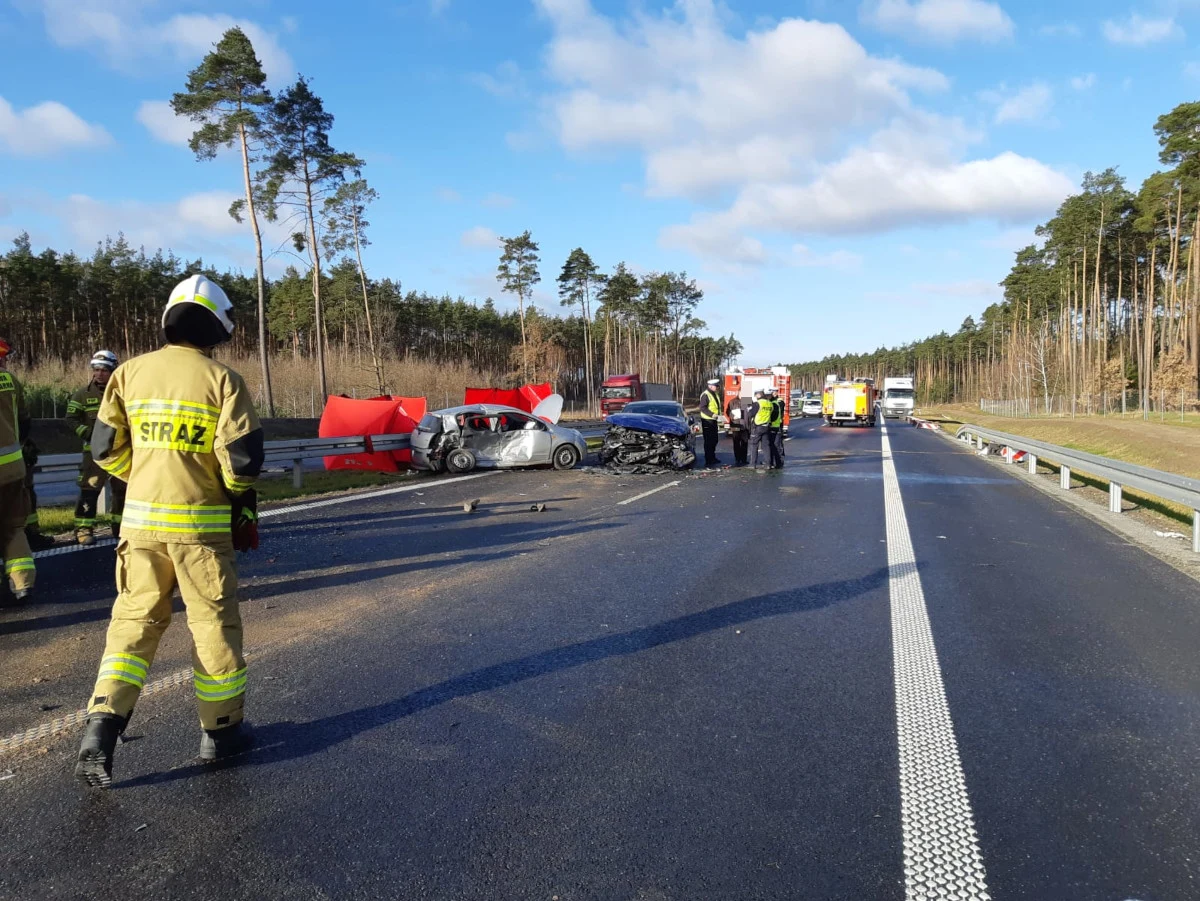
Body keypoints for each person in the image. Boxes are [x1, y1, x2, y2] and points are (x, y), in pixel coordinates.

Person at [75, 275, 265, 789]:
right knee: (212, 628)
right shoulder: (222, 380)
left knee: (133, 623)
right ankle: (220, 734)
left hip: (138, 526)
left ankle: (102, 726)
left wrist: (142, 478)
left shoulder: (129, 374)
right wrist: (233, 498)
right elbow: (243, 464)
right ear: (217, 327)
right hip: (201, 531)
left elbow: (104, 449)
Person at [68, 350, 126, 545]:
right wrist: (87, 434)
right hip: (94, 455)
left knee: (122, 491)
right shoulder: (82, 395)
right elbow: (71, 419)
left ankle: (120, 529)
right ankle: (84, 529)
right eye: (96, 369)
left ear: (113, 370)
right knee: (90, 490)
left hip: (120, 453)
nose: (99, 374)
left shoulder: (123, 393)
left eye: (104, 370)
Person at [0, 337, 35, 603]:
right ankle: (22, 583)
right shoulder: (10, 380)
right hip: (13, 468)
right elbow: (24, 420)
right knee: (14, 526)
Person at [699, 378, 723, 467]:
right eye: (716, 386)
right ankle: (708, 459)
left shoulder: (715, 394)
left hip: (714, 420)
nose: (717, 387)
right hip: (707, 421)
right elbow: (703, 408)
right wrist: (712, 414)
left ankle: (712, 457)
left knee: (714, 440)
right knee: (709, 441)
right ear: (710, 386)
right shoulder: (705, 395)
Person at [749, 389, 773, 471]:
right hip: (766, 426)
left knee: (754, 445)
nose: (755, 397)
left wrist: (748, 409)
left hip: (757, 427)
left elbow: (750, 414)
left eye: (755, 395)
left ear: (758, 395)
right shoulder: (770, 403)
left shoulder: (757, 403)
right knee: (766, 446)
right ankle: (768, 464)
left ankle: (752, 464)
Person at [725, 393, 750, 466]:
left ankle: (744, 459)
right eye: (741, 393)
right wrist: (732, 416)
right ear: (738, 393)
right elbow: (728, 411)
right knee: (736, 442)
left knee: (745, 443)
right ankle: (737, 459)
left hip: (744, 425)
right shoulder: (732, 401)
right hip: (735, 424)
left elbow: (750, 411)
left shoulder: (748, 401)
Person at [767, 387, 785, 468]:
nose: (774, 393)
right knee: (770, 444)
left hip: (774, 426)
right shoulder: (746, 392)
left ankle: (778, 461)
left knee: (776, 444)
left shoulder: (778, 401)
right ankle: (770, 461)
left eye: (775, 391)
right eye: (772, 392)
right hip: (768, 426)